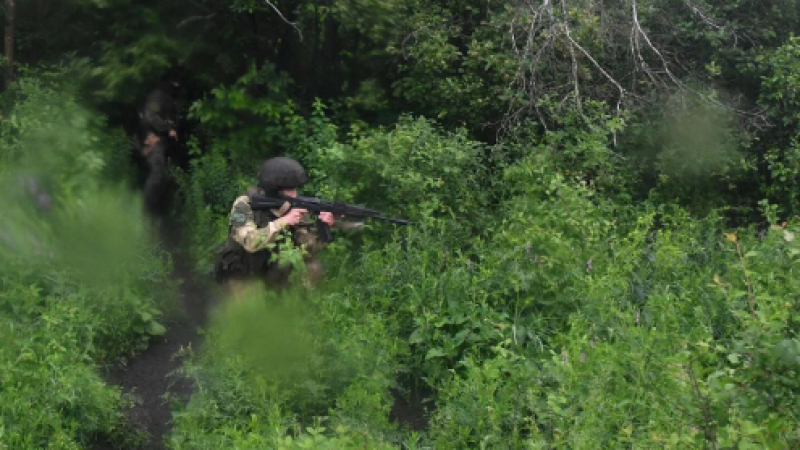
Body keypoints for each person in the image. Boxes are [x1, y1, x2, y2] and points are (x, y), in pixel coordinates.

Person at [213, 157, 362, 295]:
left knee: (313, 269)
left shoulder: (294, 207)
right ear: (273, 190)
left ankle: (296, 310)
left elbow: (307, 252)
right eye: (289, 190)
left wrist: (322, 227)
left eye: (295, 189)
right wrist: (283, 222)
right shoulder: (244, 205)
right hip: (243, 272)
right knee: (249, 308)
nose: (294, 195)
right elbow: (250, 242)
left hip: (275, 270)